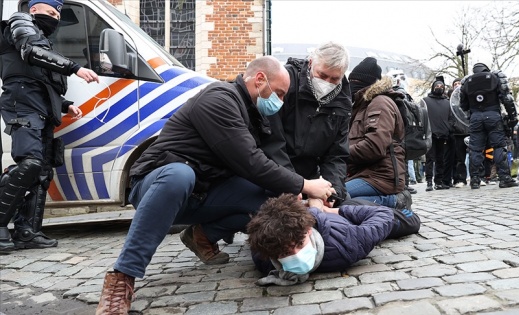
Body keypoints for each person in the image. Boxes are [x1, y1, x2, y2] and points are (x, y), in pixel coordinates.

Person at [94, 56, 336, 314]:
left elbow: (271, 164)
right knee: (179, 175)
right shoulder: (219, 98)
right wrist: (306, 184)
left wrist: (305, 198)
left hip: (202, 194)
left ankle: (203, 235)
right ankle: (122, 277)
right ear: (260, 79)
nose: (280, 101)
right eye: (278, 93)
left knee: (269, 202)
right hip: (156, 186)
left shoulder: (254, 115)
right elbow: (250, 162)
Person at [0, 0, 99, 253]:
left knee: (42, 171)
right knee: (29, 164)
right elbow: (30, 53)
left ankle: (27, 231)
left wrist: (65, 105)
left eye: (57, 14)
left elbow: (40, 81)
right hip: (22, 104)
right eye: (50, 12)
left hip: (41, 109)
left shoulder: (42, 37)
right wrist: (74, 68)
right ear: (34, 10)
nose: (54, 18)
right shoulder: (21, 22)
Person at [261, 42, 352, 205]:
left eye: (334, 79)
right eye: (322, 76)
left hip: (310, 174)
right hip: (274, 172)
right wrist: (295, 186)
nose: (327, 83)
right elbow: (272, 141)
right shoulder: (287, 82)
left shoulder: (342, 101)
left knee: (344, 207)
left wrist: (333, 192)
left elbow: (336, 154)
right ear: (311, 64)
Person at [247, 193, 395, 285]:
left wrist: (331, 210)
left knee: (409, 222)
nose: (297, 255)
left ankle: (394, 198)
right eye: (285, 253)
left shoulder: (347, 244)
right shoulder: (264, 260)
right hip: (304, 210)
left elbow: (384, 213)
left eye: (300, 244)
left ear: (309, 231)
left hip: (340, 211)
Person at [344, 57, 412, 211]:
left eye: (355, 80)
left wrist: (340, 152)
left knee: (336, 196)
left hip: (380, 178)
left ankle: (395, 201)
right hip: (364, 175)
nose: (351, 85)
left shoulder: (379, 103)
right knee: (334, 196)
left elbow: (374, 147)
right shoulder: (362, 106)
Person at [460, 63, 519, 189]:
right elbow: (507, 98)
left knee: (475, 149)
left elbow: (463, 105)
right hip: (493, 115)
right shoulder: (495, 77)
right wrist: (512, 116)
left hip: (475, 117)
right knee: (498, 146)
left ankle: (475, 179)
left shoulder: (467, 82)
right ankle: (504, 178)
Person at [423, 79, 453, 191]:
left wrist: (448, 128)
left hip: (443, 134)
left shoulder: (447, 102)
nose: (439, 87)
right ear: (433, 87)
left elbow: (451, 118)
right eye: (437, 85)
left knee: (441, 159)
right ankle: (429, 181)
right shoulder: (425, 101)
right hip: (430, 134)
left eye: (441, 86)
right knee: (430, 158)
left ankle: (438, 181)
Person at [449, 78, 469, 188]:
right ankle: (460, 179)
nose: (457, 85)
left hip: (469, 131)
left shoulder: (467, 97)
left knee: (476, 155)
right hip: (458, 133)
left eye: (459, 83)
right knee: (459, 159)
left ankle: (478, 176)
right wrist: (454, 127)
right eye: (455, 84)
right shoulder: (451, 102)